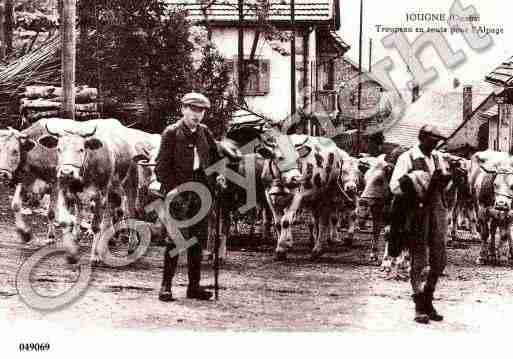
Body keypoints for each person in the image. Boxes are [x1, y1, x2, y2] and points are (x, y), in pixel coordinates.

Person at [154, 92, 224, 301]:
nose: (196, 114)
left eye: (201, 111)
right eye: (192, 109)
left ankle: (194, 287)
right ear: (183, 109)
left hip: (202, 189)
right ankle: (165, 287)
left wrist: (219, 175)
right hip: (178, 190)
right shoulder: (171, 133)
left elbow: (215, 157)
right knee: (175, 240)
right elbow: (161, 166)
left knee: (197, 240)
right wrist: (172, 189)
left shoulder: (204, 132)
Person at [389, 124, 452, 324]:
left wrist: (446, 180)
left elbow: (446, 185)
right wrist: (416, 181)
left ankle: (428, 298)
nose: (434, 144)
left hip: (437, 210)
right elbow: (395, 186)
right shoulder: (406, 157)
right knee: (418, 257)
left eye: (437, 141)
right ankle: (419, 305)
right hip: (416, 211)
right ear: (422, 138)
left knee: (439, 258)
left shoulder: (438, 158)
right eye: (432, 140)